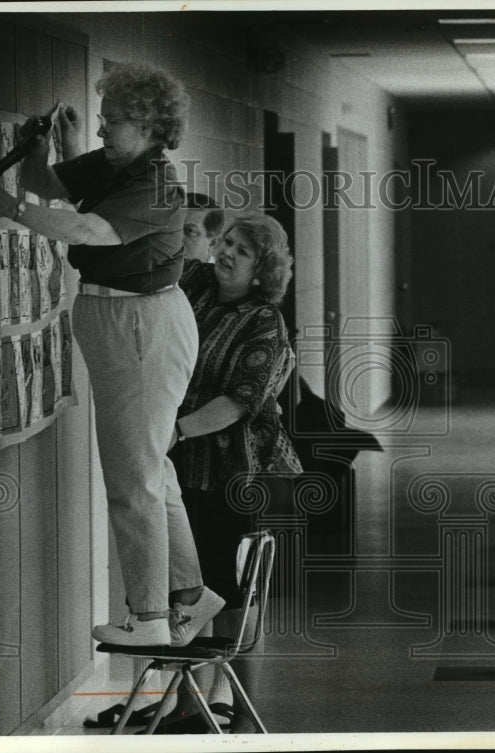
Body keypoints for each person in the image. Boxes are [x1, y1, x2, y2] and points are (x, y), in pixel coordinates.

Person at [0, 63, 224, 647]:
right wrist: (39, 145)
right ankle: (188, 595)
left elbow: (90, 231)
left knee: (131, 478)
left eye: (114, 121)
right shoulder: (117, 163)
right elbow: (52, 185)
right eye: (103, 119)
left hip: (140, 321)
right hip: (121, 318)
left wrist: (9, 209)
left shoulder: (157, 185)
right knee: (150, 469)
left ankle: (149, 618)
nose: (103, 129)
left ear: (150, 126)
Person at [162, 211, 303, 733]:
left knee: (231, 593)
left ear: (262, 270)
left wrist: (176, 429)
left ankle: (244, 712)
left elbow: (242, 400)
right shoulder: (198, 284)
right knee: (185, 587)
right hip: (182, 465)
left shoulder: (264, 320)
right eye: (227, 243)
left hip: (237, 473)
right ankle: (189, 704)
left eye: (241, 251)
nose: (225, 253)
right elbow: (174, 253)